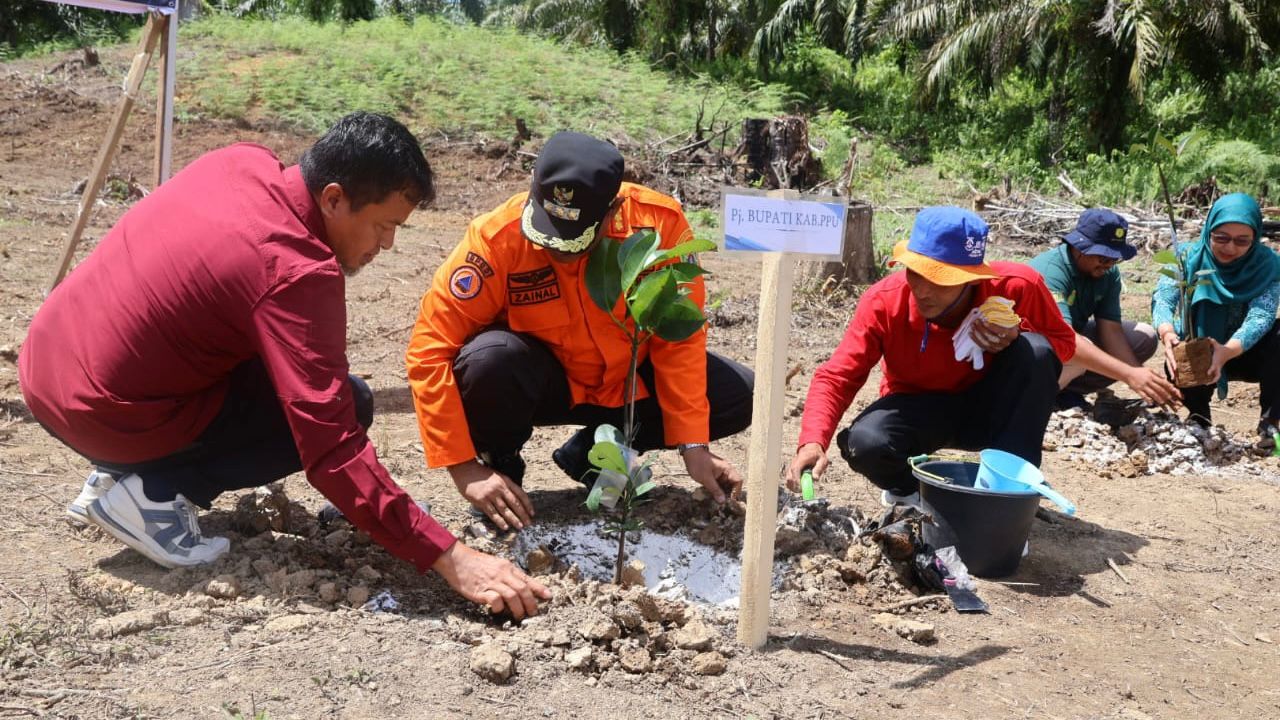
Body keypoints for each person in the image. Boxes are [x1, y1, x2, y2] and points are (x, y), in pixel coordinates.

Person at [19, 112, 549, 619]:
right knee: (352, 403)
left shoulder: (239, 161)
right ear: (335, 199)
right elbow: (331, 449)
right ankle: (152, 494)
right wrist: (451, 558)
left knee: (272, 364)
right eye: (384, 226)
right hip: (103, 412)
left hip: (49, 367)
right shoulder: (296, 269)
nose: (386, 245)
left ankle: (119, 473)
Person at [406, 131, 753, 531]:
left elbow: (679, 341)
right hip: (543, 387)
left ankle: (593, 455)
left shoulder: (658, 228)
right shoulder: (495, 239)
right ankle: (500, 465)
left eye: (572, 244)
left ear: (612, 211)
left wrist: (694, 445)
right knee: (489, 362)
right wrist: (464, 468)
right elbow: (429, 349)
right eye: (546, 235)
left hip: (626, 385)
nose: (556, 252)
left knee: (737, 394)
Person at [785, 207, 1075, 504]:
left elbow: (1064, 345)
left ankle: (1006, 498)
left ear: (972, 279)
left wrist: (1016, 334)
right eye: (915, 272)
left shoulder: (1018, 286)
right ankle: (911, 491)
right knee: (866, 443)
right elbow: (838, 375)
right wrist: (812, 441)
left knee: (1037, 351)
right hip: (920, 411)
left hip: (991, 409)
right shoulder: (885, 301)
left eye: (939, 280)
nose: (922, 290)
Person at [1152, 192, 1280, 438]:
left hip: (1245, 351)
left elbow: (1261, 316)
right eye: (1221, 238)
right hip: (1199, 349)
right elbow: (1164, 298)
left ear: (1255, 238)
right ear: (1208, 230)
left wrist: (1227, 351)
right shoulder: (1187, 258)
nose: (1230, 248)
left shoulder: (1268, 265)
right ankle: (1199, 416)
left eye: (1242, 241)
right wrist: (1167, 332)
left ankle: (1271, 422)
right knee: (1186, 345)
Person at [1028, 208, 1181, 410]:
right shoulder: (1050, 272)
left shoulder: (1108, 273)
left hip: (1066, 341)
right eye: (1103, 258)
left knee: (1143, 337)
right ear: (1080, 248)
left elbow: (1111, 330)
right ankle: (1035, 401)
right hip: (1030, 349)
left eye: (1114, 258)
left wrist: (1143, 378)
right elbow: (1067, 339)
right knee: (1081, 348)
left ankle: (1067, 393)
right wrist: (1129, 374)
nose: (1109, 265)